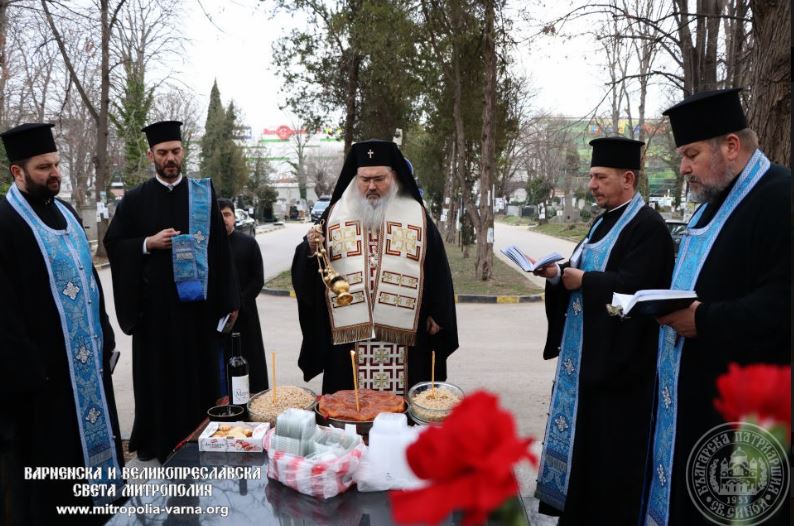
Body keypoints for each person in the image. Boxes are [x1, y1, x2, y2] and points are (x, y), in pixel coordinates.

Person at [643, 89, 790, 526]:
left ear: (731, 146)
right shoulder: (711, 205)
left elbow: (783, 304)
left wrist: (701, 320)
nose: (683, 167)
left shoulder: (781, 197)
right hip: (695, 404)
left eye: (691, 154)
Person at [534, 137, 674, 525]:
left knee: (610, 469)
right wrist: (558, 275)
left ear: (628, 178)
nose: (592, 184)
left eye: (600, 177)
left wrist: (586, 282)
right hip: (586, 364)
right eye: (591, 176)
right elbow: (585, 274)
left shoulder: (649, 228)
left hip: (620, 372)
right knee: (586, 462)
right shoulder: (602, 220)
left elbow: (639, 289)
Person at [0, 123, 124, 525]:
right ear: (17, 173)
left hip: (89, 369)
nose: (54, 173)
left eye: (56, 163)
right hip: (46, 382)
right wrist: (32, 375)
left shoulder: (67, 212)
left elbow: (90, 280)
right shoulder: (5, 222)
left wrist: (104, 336)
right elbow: (5, 313)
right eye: (42, 167)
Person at [103, 120, 239, 463]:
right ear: (151, 155)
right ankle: (162, 442)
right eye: (162, 153)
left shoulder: (202, 194)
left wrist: (230, 300)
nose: (170, 158)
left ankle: (201, 438)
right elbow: (114, 244)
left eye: (175, 151)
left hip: (198, 312)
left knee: (200, 380)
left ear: (183, 152)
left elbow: (221, 252)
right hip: (156, 316)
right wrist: (148, 243)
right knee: (160, 382)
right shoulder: (135, 201)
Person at [291, 139, 458, 395]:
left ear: (394, 176)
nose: (371, 186)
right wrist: (311, 250)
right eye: (365, 179)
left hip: (405, 337)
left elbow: (437, 268)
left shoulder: (417, 215)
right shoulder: (335, 214)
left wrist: (438, 312)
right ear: (355, 178)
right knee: (346, 407)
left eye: (379, 179)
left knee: (404, 409)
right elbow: (309, 267)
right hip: (348, 337)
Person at [218, 198, 269, 393]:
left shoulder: (248, 244)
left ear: (234, 217)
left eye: (227, 214)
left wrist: (238, 304)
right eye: (219, 215)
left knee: (250, 359)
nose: (223, 219)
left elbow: (257, 280)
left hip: (245, 315)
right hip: (219, 317)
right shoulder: (208, 247)